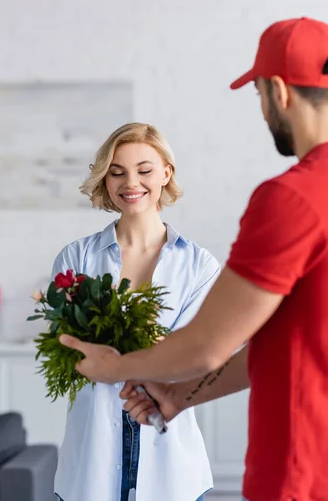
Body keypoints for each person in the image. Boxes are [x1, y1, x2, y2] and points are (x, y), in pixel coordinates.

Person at [61, 17, 328, 501]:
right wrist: (178, 395)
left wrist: (113, 367)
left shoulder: (291, 199)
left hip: (305, 473)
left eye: (259, 96)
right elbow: (278, 342)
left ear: (278, 92)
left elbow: (206, 346)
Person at [51, 122, 219, 501]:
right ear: (105, 180)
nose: (131, 183)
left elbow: (195, 358)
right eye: (117, 172)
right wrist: (153, 347)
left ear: (165, 173)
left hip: (172, 466)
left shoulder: (199, 266)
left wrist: (113, 347)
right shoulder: (76, 258)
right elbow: (65, 349)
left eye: (144, 170)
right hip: (90, 463)